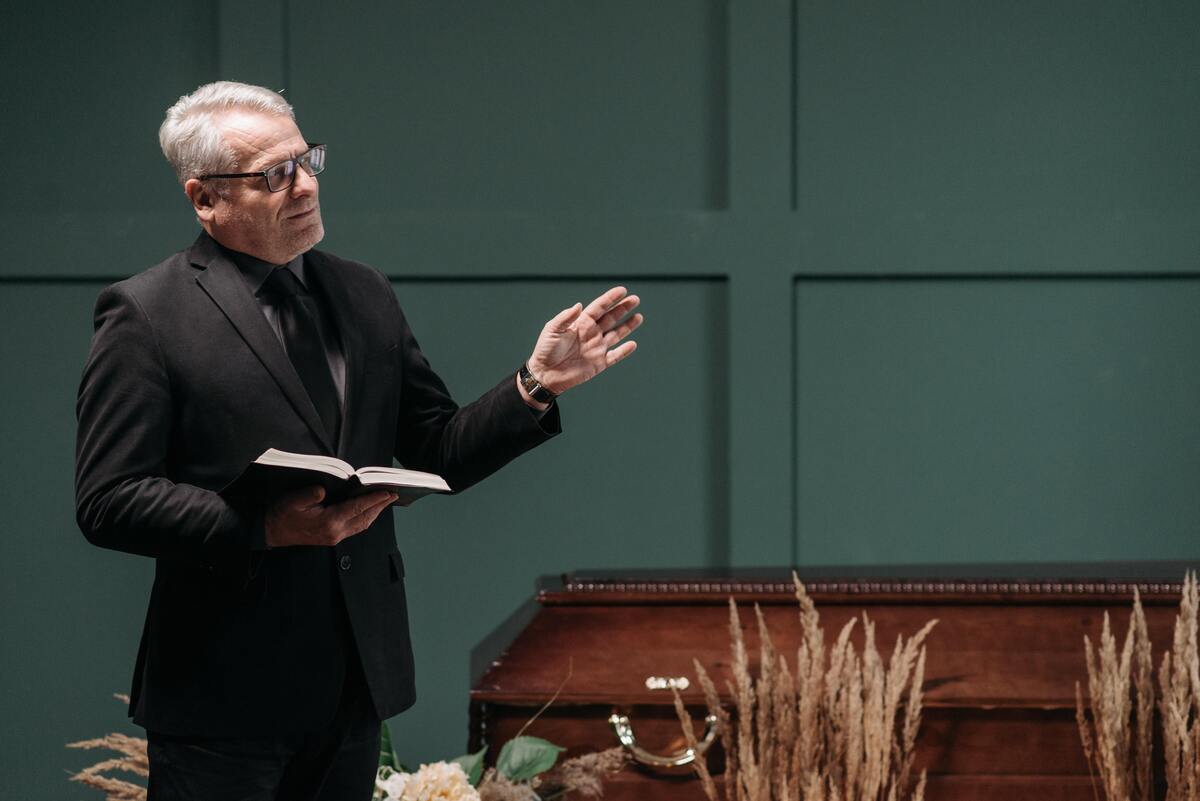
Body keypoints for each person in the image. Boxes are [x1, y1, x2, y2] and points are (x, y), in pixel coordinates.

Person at [74, 80, 642, 801]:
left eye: (306, 159)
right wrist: (263, 525)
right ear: (204, 198)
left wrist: (535, 383)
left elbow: (437, 450)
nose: (304, 184)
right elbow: (107, 499)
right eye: (273, 175)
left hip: (353, 686)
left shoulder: (364, 292)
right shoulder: (145, 312)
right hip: (219, 696)